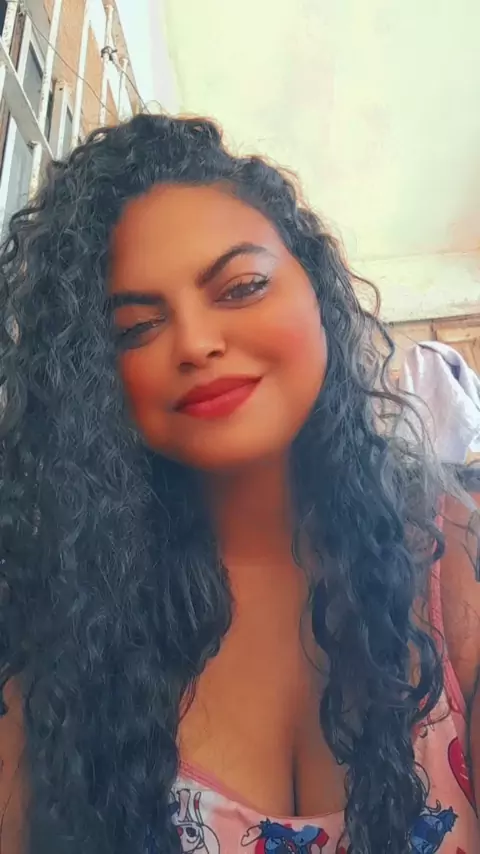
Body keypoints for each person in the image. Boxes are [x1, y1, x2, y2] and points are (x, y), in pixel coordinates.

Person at [0, 113, 478, 854]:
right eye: (136, 328)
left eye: (241, 286)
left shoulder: (449, 555)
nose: (195, 343)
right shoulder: (55, 615)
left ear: (317, 290)